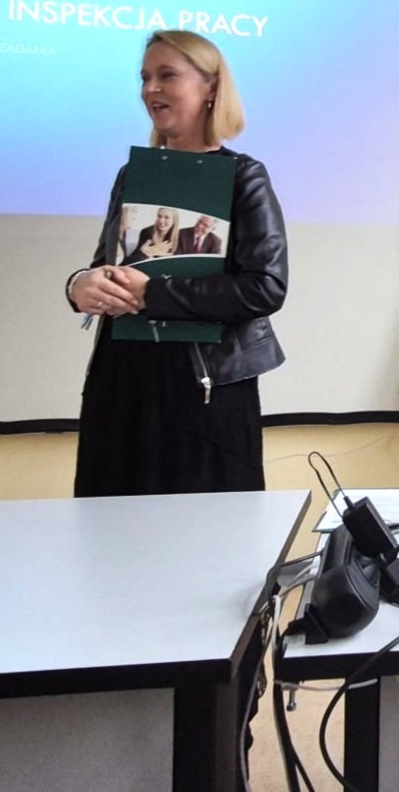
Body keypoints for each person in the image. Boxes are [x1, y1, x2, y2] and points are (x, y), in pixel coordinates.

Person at [65, 29, 287, 497]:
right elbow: (106, 264)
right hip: (121, 385)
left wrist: (153, 294)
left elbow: (264, 287)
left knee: (208, 532)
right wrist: (80, 285)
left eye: (167, 75)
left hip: (204, 391)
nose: (151, 89)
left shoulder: (243, 176)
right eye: (145, 77)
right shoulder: (133, 175)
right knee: (110, 528)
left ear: (210, 88)